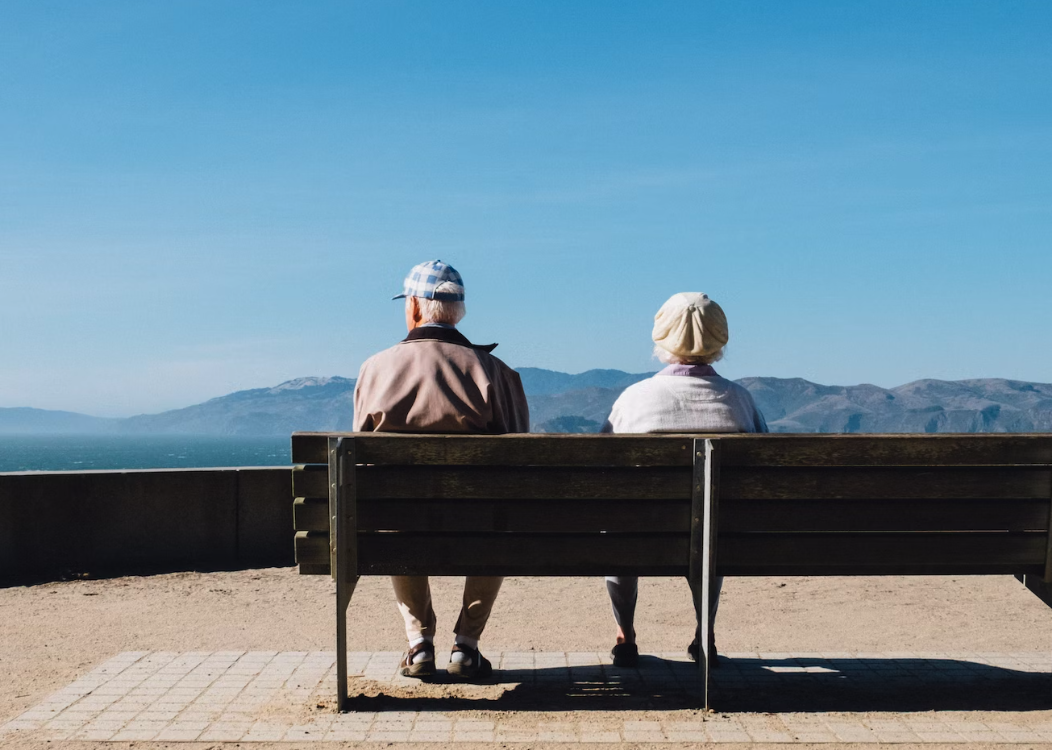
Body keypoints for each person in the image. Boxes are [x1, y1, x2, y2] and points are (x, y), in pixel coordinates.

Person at [353, 260, 529, 681]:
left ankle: (418, 644)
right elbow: (522, 459)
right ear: (458, 312)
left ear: (414, 307)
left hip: (402, 524)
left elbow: (358, 460)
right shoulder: (497, 374)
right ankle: (466, 646)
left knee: (393, 516)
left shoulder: (376, 368)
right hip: (480, 524)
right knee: (497, 520)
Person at [600, 292, 767, 668]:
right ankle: (703, 632)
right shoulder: (740, 401)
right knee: (710, 527)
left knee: (619, 531)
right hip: (720, 535)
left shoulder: (634, 400)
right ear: (720, 339)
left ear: (661, 339)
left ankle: (625, 635)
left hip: (642, 534)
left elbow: (602, 471)